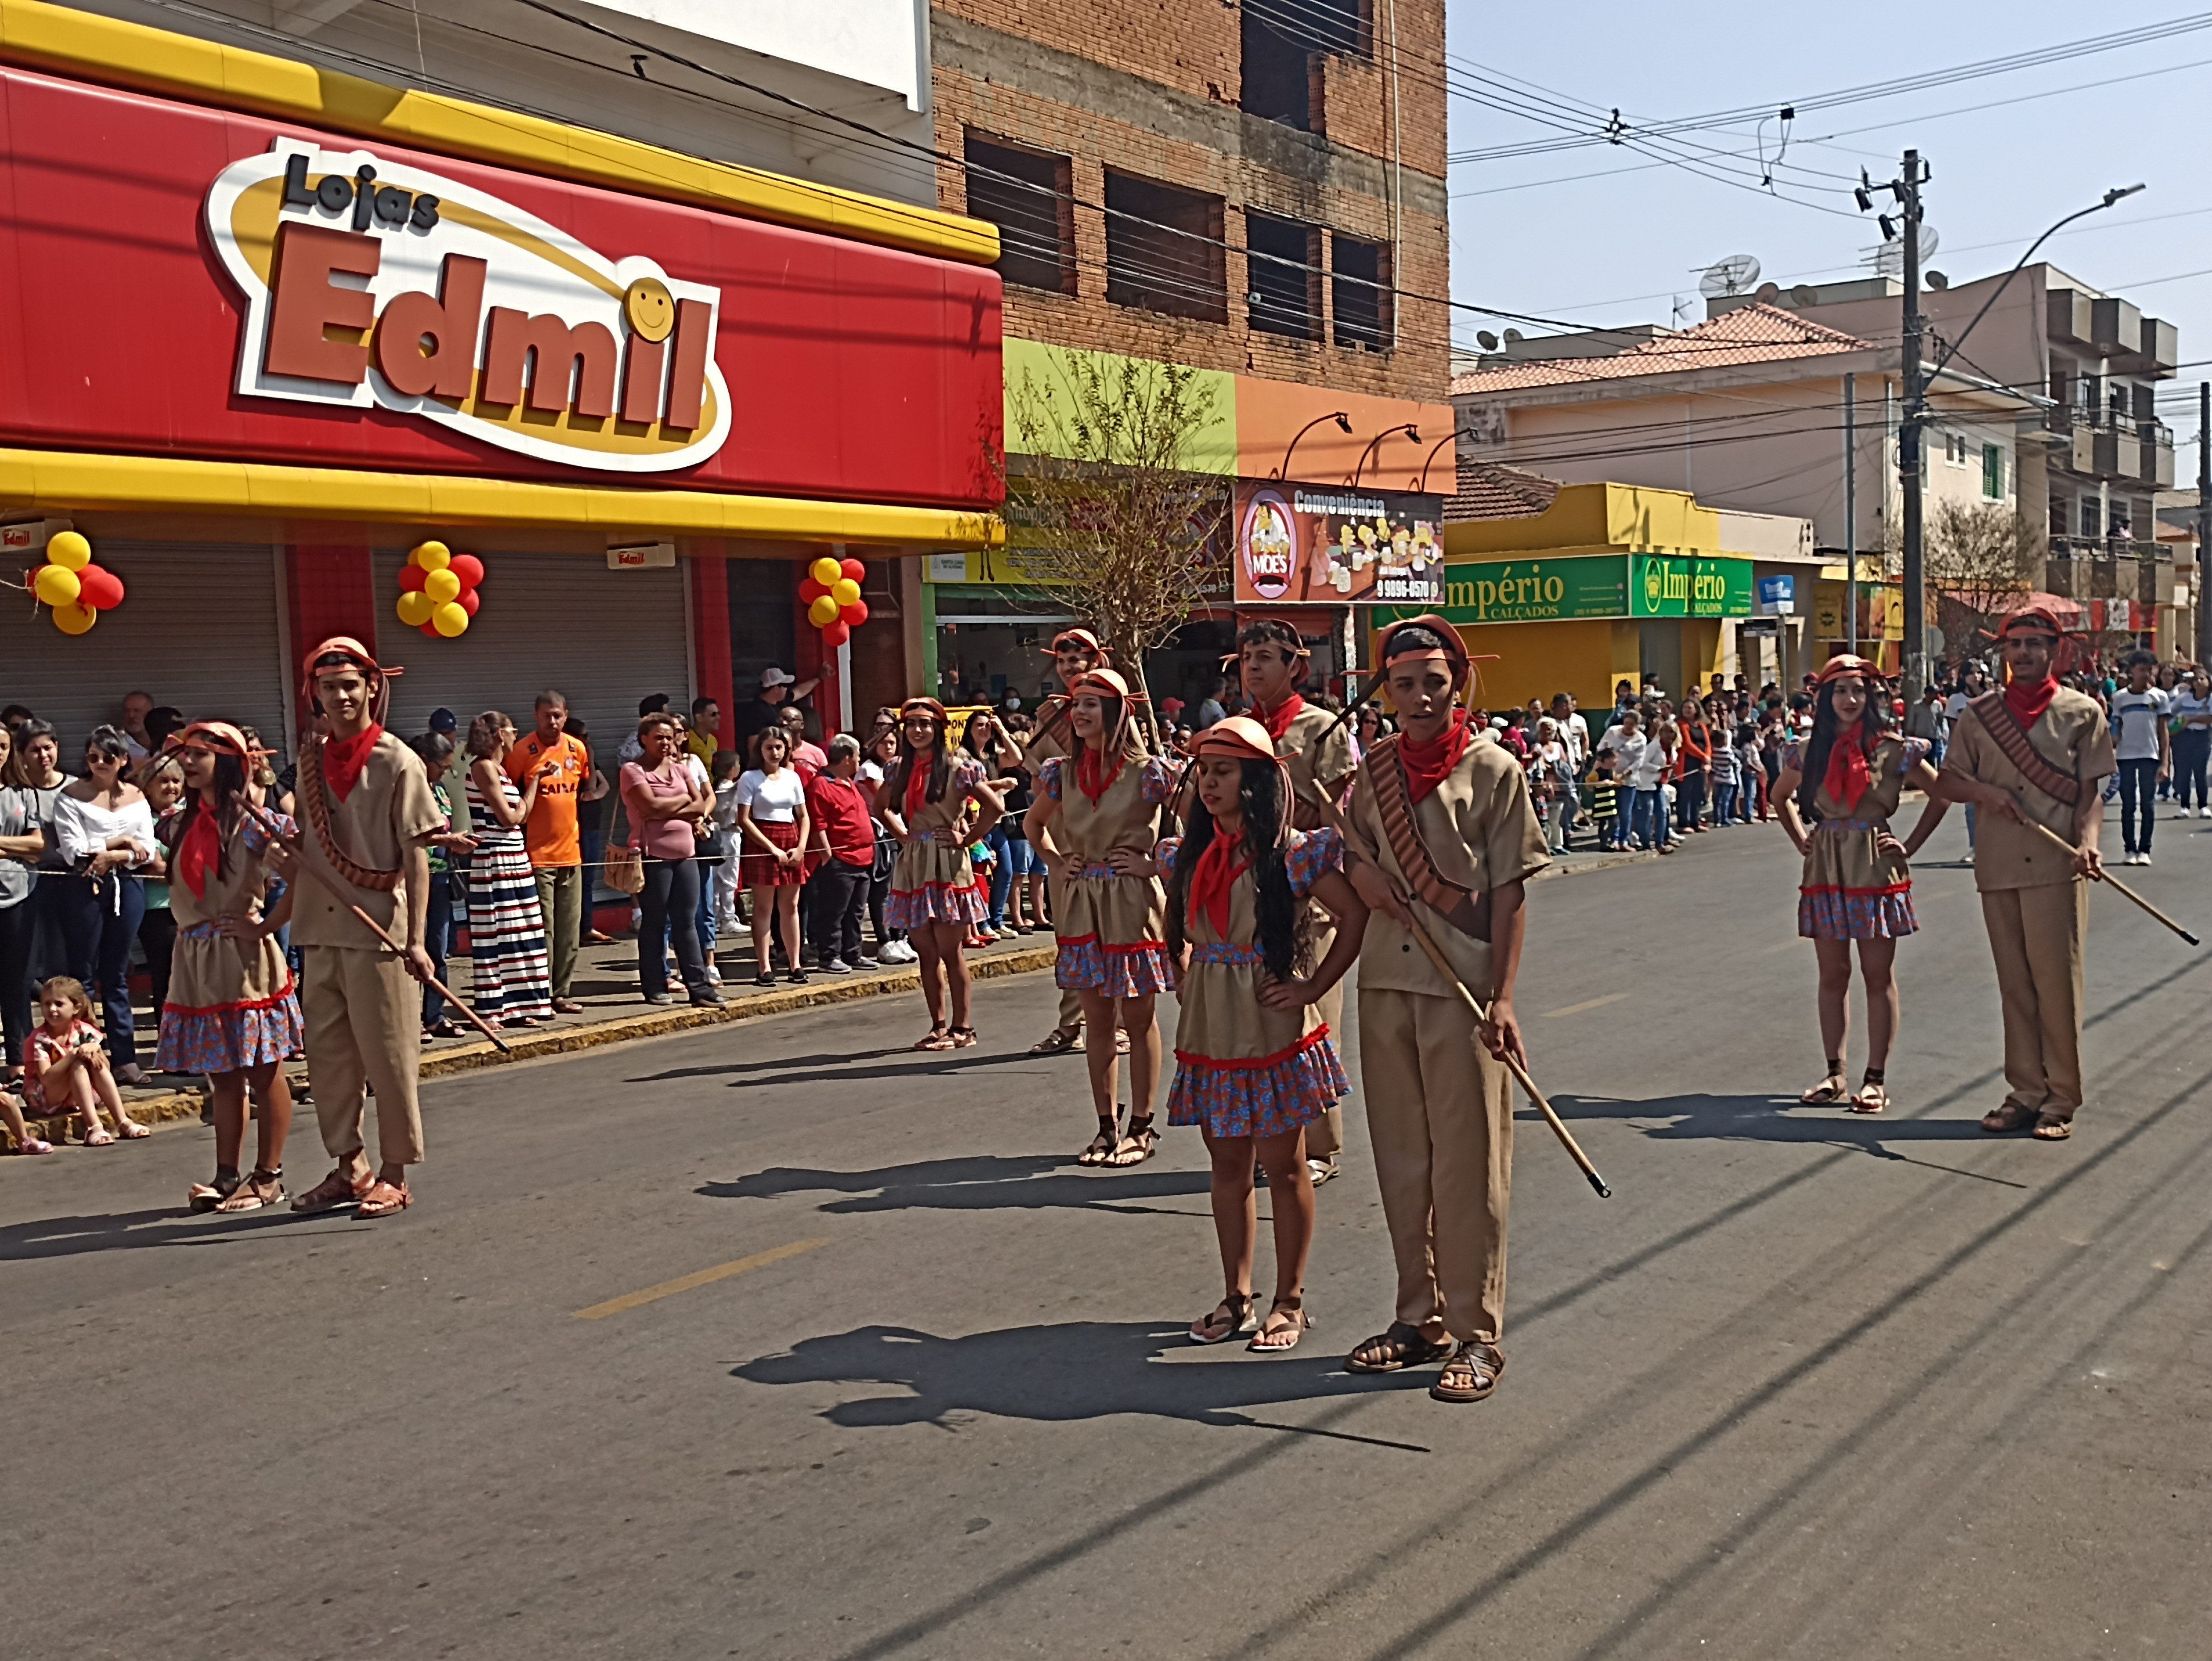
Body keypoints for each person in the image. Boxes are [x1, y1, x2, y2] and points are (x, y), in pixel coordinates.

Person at [1338, 615, 1549, 1403]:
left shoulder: (1493, 768)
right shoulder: (1374, 770)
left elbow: (1510, 891)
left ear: (1457, 683)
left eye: (1434, 682)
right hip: (1386, 982)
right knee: (1402, 1160)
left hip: (1461, 986)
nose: (1421, 697)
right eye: (1404, 684)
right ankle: (1416, 1317)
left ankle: (1476, 1330)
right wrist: (1364, 880)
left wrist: (1504, 998)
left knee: (1469, 1164)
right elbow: (1353, 852)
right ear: (1386, 692)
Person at [1157, 717, 1369, 1350]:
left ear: (1255, 780)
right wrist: (1185, 968)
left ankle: (1289, 1300)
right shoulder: (1188, 853)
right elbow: (1174, 920)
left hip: (1273, 1026)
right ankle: (1236, 1296)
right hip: (1211, 1030)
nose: (1209, 783)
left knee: (1284, 1166)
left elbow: (1352, 915)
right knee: (1227, 1166)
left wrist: (1311, 986)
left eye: (1223, 771)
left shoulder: (1294, 853)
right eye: (1203, 771)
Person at [1938, 607, 2117, 1142]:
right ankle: (2025, 1091)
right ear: (2004, 653)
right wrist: (1985, 793)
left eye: (2035, 643)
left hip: (2058, 866)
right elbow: (1948, 781)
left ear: (2055, 651)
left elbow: (2091, 794)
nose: (2024, 653)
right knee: (2015, 985)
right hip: (1998, 864)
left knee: (2056, 985)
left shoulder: (2083, 712)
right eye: (2015, 644)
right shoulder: (1979, 715)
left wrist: (2089, 843)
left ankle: (2061, 1096)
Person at [281, 638, 444, 1218]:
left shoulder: (398, 761)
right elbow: (305, 846)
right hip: (318, 929)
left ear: (372, 687)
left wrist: (417, 940)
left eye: (350, 684)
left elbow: (417, 856)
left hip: (380, 931)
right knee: (327, 1062)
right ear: (315, 694)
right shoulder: (308, 761)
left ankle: (395, 1172)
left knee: (389, 1058)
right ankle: (350, 1164)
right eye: (329, 687)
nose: (341, 696)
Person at [1772, 657, 1950, 1114]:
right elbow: (1779, 795)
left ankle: (1875, 1079)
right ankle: (1834, 1072)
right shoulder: (1807, 750)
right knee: (1833, 974)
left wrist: (1909, 845)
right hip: (1826, 866)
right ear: (1825, 698)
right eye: (1840, 690)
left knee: (1877, 975)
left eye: (1858, 690)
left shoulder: (1894, 749)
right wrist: (1801, 839)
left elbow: (1943, 793)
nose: (1849, 699)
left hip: (1874, 865)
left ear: (1871, 697)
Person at [1025, 669, 1176, 1166]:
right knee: (1098, 1019)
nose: (1080, 712)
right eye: (1076, 704)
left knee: (1138, 1017)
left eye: (1091, 703)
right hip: (1082, 900)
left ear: (1116, 712)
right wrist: (1055, 862)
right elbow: (1033, 823)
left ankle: (1142, 1127)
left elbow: (1197, 824)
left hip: (1131, 900)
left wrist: (1155, 864)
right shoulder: (1062, 772)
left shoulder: (1149, 771)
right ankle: (1106, 1127)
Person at [1233, 618, 1359, 1184]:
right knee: (1263, 1025)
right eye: (1246, 658)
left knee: (1313, 1024)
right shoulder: (1238, 729)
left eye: (1265, 656)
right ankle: (1274, 1140)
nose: (1253, 667)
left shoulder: (1321, 729)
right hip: (1248, 896)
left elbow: (1336, 816)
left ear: (1294, 666)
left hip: (1309, 891)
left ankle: (1321, 1145)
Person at [159, 722, 304, 1212]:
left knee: (263, 1071)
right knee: (221, 1074)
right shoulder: (177, 823)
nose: (187, 762)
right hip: (195, 960)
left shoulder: (254, 823)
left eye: (199, 754)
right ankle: (226, 1175)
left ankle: (269, 1176)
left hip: (242, 959)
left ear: (225, 763)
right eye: (186, 753)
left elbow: (301, 877)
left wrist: (265, 927)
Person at [874, 697, 1003, 1050]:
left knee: (951, 951)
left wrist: (968, 838)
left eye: (925, 723)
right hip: (915, 863)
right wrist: (902, 835)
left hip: (948, 862)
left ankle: (963, 1028)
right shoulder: (898, 769)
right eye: (912, 724)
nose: (918, 730)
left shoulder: (958, 767)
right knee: (926, 953)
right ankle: (938, 1026)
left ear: (939, 728)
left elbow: (995, 806)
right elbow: (881, 807)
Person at [1013, 628, 1112, 1056]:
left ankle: (1116, 1023)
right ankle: (1071, 1023)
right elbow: (1036, 771)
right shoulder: (1051, 713)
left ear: (1095, 661)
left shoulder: (1115, 705)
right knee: (1071, 937)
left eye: (1078, 659)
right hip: (1063, 837)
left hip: (1108, 836)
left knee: (1113, 935)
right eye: (1063, 661)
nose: (1070, 667)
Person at [51, 726, 159, 1086]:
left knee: (116, 975)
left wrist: (116, 854)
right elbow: (74, 850)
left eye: (108, 757)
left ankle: (125, 1058)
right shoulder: (71, 796)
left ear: (123, 760)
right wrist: (123, 841)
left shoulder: (137, 795)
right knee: (82, 975)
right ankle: (81, 1057)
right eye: (92, 757)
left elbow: (147, 850)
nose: (99, 763)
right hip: (84, 887)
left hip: (126, 886)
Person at [620, 712, 723, 1008]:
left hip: (686, 854)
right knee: (655, 922)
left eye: (669, 737)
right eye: (658, 738)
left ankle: (699, 988)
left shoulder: (681, 769)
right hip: (653, 856)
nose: (666, 743)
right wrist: (682, 802)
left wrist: (668, 807)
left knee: (686, 922)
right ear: (644, 740)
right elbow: (649, 806)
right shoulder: (632, 770)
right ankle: (654, 986)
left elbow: (701, 805)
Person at [463, 713, 554, 1028]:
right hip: (495, 859)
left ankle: (522, 1004)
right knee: (497, 933)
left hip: (514, 856)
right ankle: (493, 1008)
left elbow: (519, 816)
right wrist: (529, 792)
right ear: (500, 734)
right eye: (513, 730)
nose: (517, 735)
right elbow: (510, 818)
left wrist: (534, 782)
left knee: (522, 930)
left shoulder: (500, 770)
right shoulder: (484, 767)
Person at [507, 691, 590, 1012]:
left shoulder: (577, 749)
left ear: (566, 715)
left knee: (569, 930)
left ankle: (561, 992)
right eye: (547, 715)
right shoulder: (522, 751)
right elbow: (509, 795)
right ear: (536, 715)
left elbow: (581, 788)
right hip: (537, 856)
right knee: (545, 930)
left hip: (572, 855)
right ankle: (540, 992)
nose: (552, 721)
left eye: (558, 715)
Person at [409, 732, 476, 1037]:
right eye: (441, 766)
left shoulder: (438, 789)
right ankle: (411, 1019)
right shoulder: (405, 790)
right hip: (412, 880)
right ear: (423, 760)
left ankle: (434, 1016)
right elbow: (408, 836)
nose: (445, 772)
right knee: (413, 951)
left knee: (438, 948)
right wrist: (446, 840)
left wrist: (456, 841)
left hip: (440, 878)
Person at [22, 975, 144, 1143]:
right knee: (78, 1064)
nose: (52, 1009)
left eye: (59, 1004)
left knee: (91, 1061)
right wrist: (73, 1054)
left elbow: (105, 1068)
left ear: (76, 1008)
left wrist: (97, 1050)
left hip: (78, 1092)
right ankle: (94, 1127)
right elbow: (46, 1079)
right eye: (46, 1004)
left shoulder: (85, 1031)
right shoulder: (40, 1039)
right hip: (47, 1097)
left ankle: (123, 1121)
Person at [736, 726, 812, 987]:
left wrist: (801, 847)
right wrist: (772, 848)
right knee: (763, 907)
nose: (775, 752)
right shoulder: (750, 778)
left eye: (779, 747)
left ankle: (795, 964)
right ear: (760, 750)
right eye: (769, 747)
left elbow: (803, 816)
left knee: (791, 906)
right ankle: (765, 967)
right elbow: (744, 819)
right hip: (763, 841)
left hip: (791, 837)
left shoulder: (792, 777)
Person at [804, 735, 877, 973]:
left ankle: (853, 953)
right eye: (857, 756)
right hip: (840, 860)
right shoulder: (821, 785)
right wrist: (828, 857)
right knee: (834, 912)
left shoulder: (848, 782)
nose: (859, 761)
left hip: (863, 858)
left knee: (856, 912)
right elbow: (818, 825)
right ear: (847, 758)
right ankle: (829, 957)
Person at [0, 723, 47, 1081]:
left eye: (2, 746)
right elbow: (24, 846)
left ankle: (20, 1060)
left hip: (19, 897)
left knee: (17, 981)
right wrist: (14, 846)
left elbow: (37, 846)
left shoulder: (22, 793)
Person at [134, 750, 185, 1049]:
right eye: (163, 781)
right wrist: (190, 873)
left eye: (176, 781)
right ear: (148, 785)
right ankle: (170, 1048)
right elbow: (155, 869)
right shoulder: (141, 819)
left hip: (191, 909)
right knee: (166, 979)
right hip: (158, 911)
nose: (171, 787)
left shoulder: (189, 815)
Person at [2107, 650, 2170, 865]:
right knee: (2128, 805)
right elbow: (2116, 727)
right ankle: (2129, 849)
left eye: (2150, 670)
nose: (2146, 674)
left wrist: (2165, 763)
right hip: (2126, 756)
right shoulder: (2120, 698)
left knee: (2147, 804)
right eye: (2142, 669)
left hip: (2149, 756)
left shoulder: (2160, 697)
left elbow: (2163, 732)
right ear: (2132, 671)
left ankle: (2145, 849)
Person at [858, 726, 913, 963]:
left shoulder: (899, 767)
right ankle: (885, 941)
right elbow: (889, 799)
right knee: (882, 891)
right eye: (883, 743)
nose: (888, 747)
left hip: (901, 832)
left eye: (892, 742)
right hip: (881, 834)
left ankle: (900, 937)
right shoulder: (869, 769)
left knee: (901, 888)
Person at [736, 667, 822, 763]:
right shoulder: (756, 712)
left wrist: (819, 678)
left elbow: (800, 691)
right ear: (776, 689)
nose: (787, 689)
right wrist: (761, 768)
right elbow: (753, 746)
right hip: (770, 762)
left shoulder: (780, 702)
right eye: (785, 685)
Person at [2170, 667, 2212, 816]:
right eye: (2196, 679)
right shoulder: (2184, 698)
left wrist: (2192, 719)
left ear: (2209, 682)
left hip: (2202, 737)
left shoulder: (2211, 699)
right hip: (2183, 736)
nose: (2199, 682)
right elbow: (2170, 713)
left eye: (2202, 679)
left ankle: (2203, 806)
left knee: (2200, 772)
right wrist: (2177, 725)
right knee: (2184, 773)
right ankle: (2184, 807)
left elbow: (2210, 719)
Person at [121, 690, 155, 760]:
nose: (131, 716)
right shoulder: (117, 745)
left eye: (137, 711)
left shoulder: (169, 742)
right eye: (127, 711)